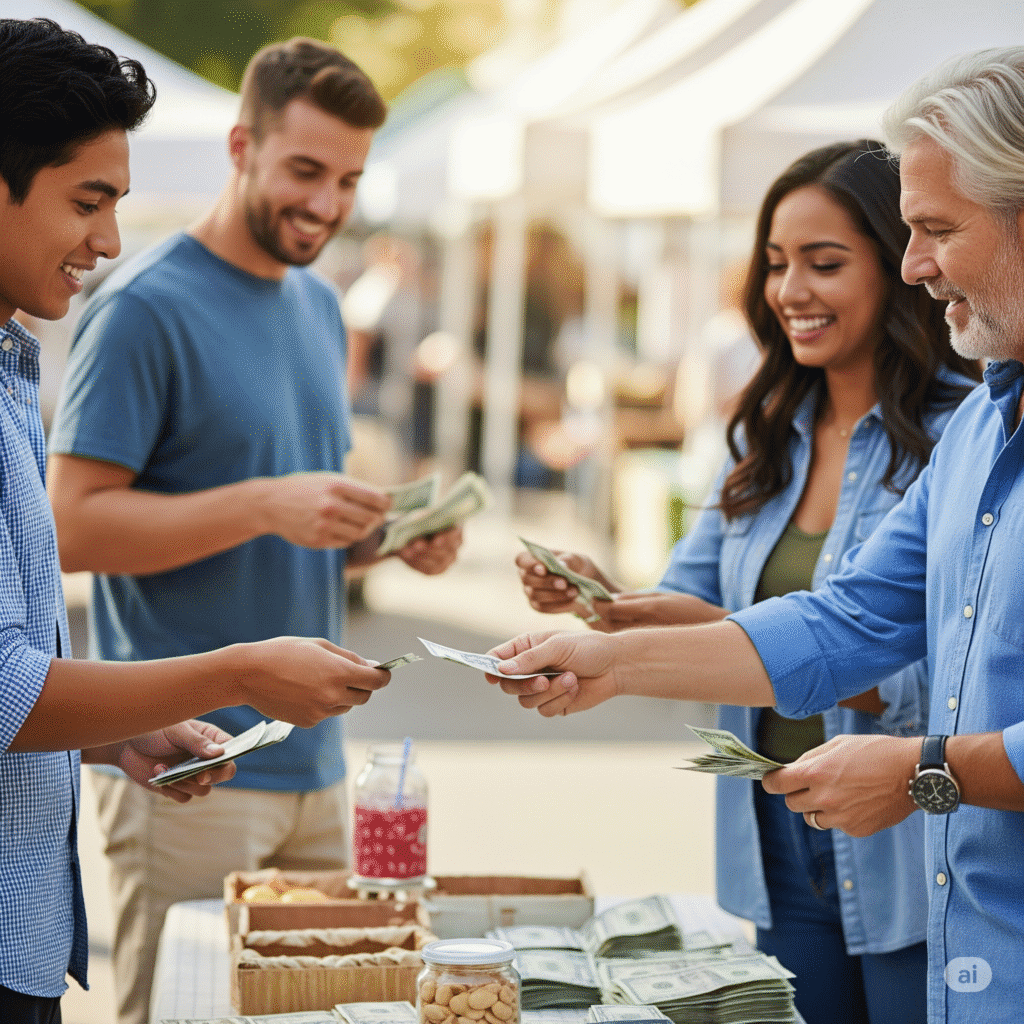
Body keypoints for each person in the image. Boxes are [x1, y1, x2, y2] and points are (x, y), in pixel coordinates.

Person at [490, 47, 1024, 1024]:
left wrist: (924, 770)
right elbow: (851, 616)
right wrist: (613, 659)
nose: (914, 266)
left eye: (936, 230)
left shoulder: (951, 420)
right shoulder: (982, 429)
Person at [46, 36, 462, 1024]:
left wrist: (383, 537)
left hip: (319, 764)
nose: (326, 203)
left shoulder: (320, 306)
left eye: (350, 181)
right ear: (242, 145)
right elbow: (68, 526)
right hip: (188, 766)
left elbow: (290, 523)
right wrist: (267, 502)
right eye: (305, 170)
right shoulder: (143, 307)